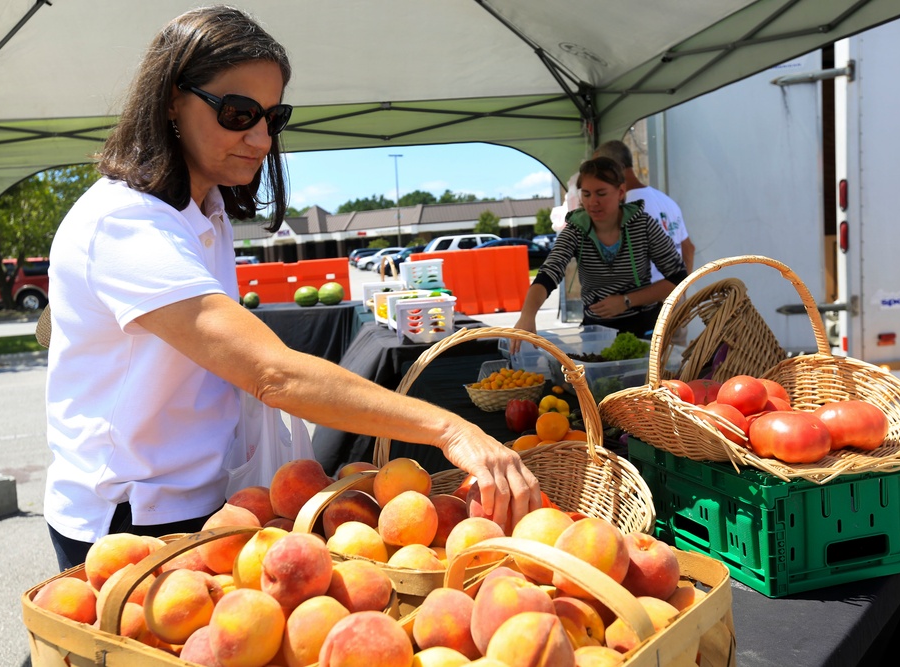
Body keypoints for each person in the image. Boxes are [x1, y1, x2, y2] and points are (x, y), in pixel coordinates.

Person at [43, 5, 540, 571]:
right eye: (237, 113)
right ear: (170, 101)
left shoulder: (205, 214)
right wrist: (449, 428)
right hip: (131, 517)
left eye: (272, 118)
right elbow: (272, 374)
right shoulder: (125, 222)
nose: (258, 138)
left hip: (205, 501)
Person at [512, 157, 688, 345]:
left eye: (601, 193)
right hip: (596, 334)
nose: (592, 202)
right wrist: (527, 315)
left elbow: (677, 278)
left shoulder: (643, 225)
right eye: (586, 194)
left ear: (620, 192)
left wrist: (627, 301)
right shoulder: (575, 230)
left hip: (646, 331)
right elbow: (548, 274)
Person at [594, 140, 695, 280]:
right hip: (673, 297)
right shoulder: (667, 202)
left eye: (598, 170)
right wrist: (681, 293)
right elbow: (688, 249)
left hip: (644, 299)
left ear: (615, 168)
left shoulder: (625, 209)